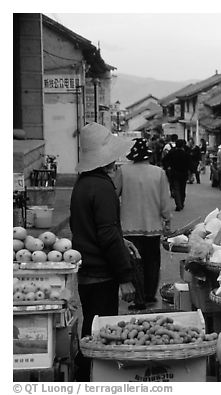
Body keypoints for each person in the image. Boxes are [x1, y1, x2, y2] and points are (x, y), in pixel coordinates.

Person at [69, 122, 138, 380]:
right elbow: (106, 234)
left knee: (92, 324)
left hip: (87, 270)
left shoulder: (83, 184)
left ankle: (84, 368)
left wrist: (122, 240)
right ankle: (91, 376)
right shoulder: (102, 187)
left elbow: (97, 229)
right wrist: (125, 278)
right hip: (101, 273)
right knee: (101, 331)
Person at [114, 138, 172, 310]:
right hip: (152, 226)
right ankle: (149, 295)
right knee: (152, 261)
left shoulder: (123, 171)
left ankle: (138, 299)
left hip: (129, 226)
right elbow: (164, 200)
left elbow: (114, 194)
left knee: (135, 262)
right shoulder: (158, 172)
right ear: (148, 155)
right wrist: (167, 218)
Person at [162, 139, 190, 211]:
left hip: (174, 173)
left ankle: (178, 204)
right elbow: (189, 163)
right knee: (182, 189)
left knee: (176, 189)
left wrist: (167, 167)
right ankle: (182, 202)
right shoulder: (185, 153)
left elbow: (164, 160)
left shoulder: (172, 152)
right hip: (183, 174)